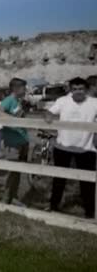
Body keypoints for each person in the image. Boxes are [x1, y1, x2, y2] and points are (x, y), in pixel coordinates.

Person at [45, 77, 97, 218]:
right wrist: (49, 116)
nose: (78, 92)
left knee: (87, 182)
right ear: (71, 90)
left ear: (85, 90)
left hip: (86, 149)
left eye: (80, 89)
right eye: (74, 89)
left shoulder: (94, 103)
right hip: (63, 147)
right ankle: (53, 206)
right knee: (59, 180)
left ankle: (89, 212)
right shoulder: (63, 101)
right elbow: (49, 112)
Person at [0, 77, 30, 205]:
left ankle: (13, 197)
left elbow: (19, 117)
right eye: (24, 87)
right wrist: (14, 120)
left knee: (17, 172)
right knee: (12, 172)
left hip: (22, 140)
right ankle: (5, 200)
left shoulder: (18, 101)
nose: (26, 90)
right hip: (12, 143)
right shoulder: (8, 100)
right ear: (16, 88)